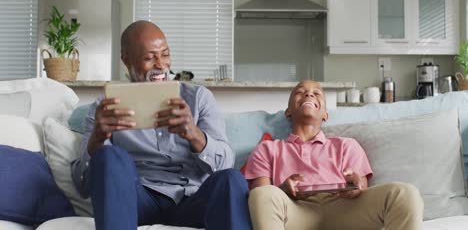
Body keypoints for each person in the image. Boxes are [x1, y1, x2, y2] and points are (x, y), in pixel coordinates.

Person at [71, 20, 252, 230]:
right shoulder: (106, 108)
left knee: (231, 179)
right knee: (109, 156)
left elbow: (225, 164)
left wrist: (194, 134)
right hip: (138, 201)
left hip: (192, 200)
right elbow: (82, 185)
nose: (160, 65)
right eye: (149, 57)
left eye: (165, 55)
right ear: (126, 60)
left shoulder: (199, 98)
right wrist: (97, 139)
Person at [244, 80, 424, 230]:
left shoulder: (346, 145)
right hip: (295, 211)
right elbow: (261, 194)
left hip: (343, 208)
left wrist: (356, 185)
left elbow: (362, 186)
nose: (309, 94)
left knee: (405, 193)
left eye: (317, 93)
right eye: (301, 92)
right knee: (262, 194)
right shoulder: (268, 149)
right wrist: (283, 190)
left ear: (325, 115)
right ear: (288, 111)